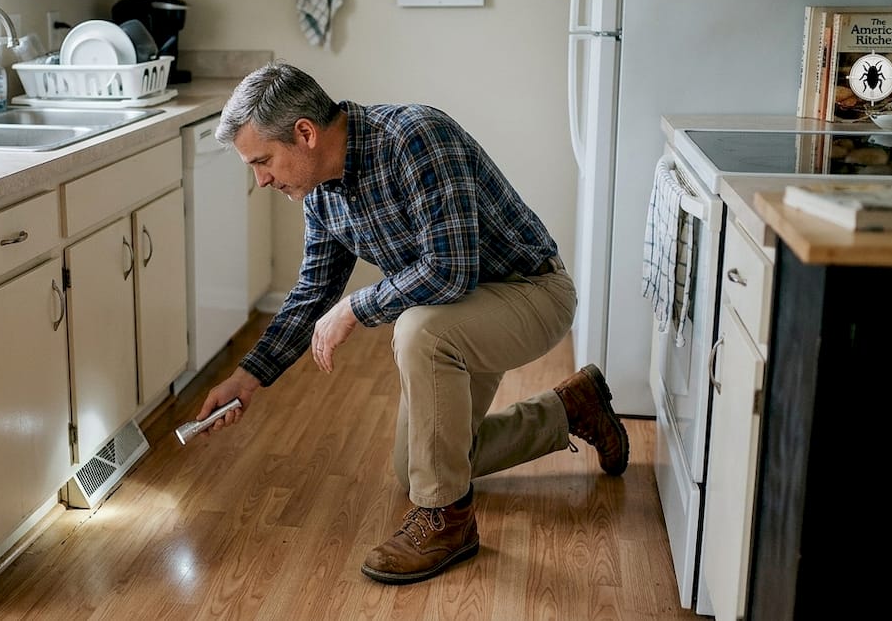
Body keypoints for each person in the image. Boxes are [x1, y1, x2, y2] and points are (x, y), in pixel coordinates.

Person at [192, 61, 629, 585]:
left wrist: (354, 308)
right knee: (419, 468)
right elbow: (312, 293)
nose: (261, 179)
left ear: (304, 133)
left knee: (418, 330)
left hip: (531, 292)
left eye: (262, 161)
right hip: (464, 311)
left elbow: (450, 270)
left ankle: (450, 522)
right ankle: (572, 408)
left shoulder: (414, 137)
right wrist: (247, 377)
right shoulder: (323, 194)